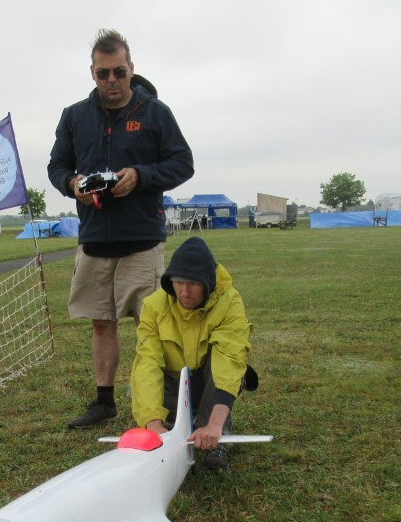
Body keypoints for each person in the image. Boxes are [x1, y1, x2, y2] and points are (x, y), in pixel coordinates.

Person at [48, 28, 195, 429]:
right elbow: (57, 166)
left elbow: (182, 164)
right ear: (92, 73)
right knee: (101, 321)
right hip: (95, 238)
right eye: (103, 73)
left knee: (149, 324)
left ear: (131, 68)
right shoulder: (74, 116)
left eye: (118, 72)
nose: (111, 80)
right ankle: (104, 402)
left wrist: (141, 176)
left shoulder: (155, 113)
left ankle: (163, 404)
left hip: (142, 239)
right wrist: (72, 184)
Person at [130, 236, 253, 471]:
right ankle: (169, 424)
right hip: (174, 383)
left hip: (208, 382)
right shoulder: (153, 305)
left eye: (193, 284)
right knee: (139, 376)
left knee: (233, 368)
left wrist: (214, 424)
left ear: (208, 282)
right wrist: (152, 423)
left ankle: (217, 437)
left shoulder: (230, 302)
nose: (184, 292)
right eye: (178, 282)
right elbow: (148, 362)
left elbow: (230, 358)